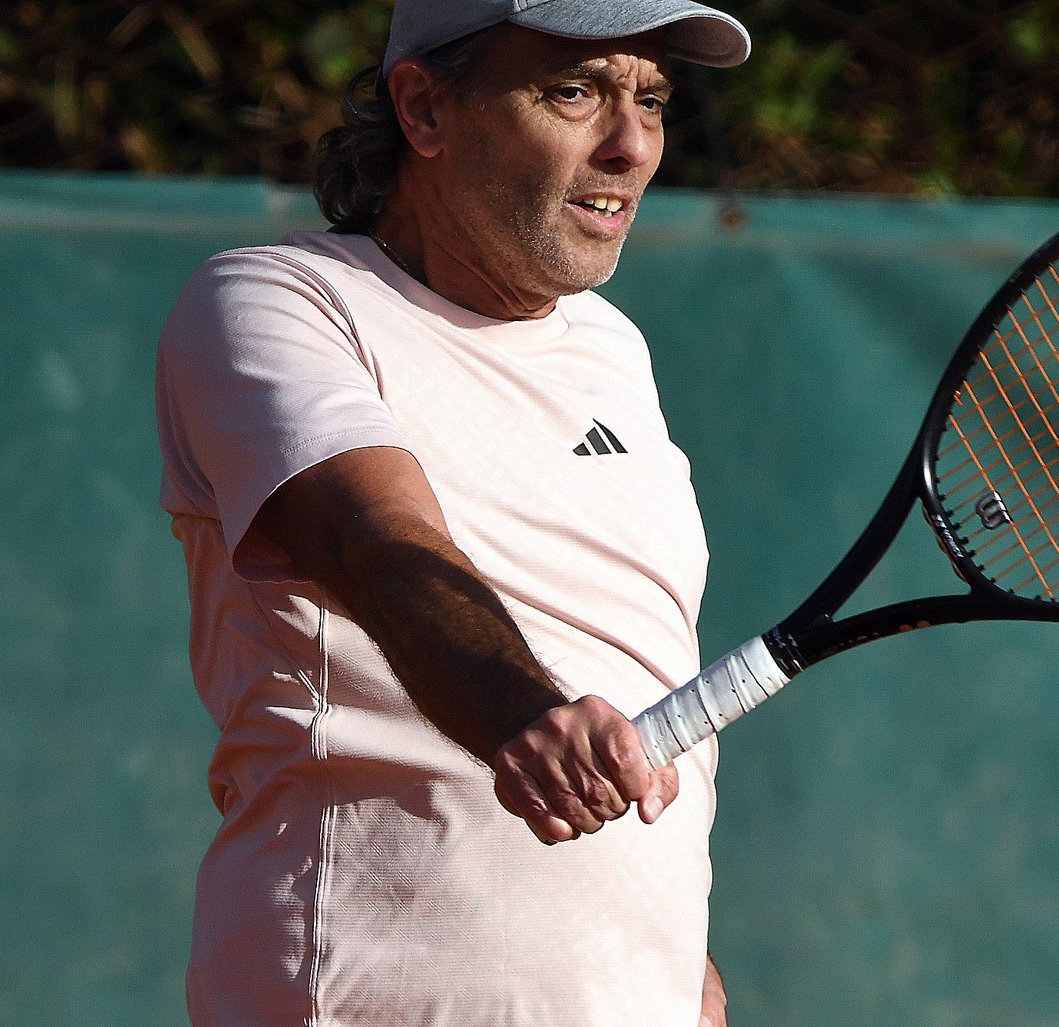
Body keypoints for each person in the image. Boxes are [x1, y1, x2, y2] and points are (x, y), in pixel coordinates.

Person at [154, 1, 751, 1024]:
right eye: (574, 91)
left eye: (651, 99)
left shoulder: (613, 350)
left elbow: (622, 652)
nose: (631, 145)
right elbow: (379, 545)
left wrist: (669, 955)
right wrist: (522, 718)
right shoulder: (279, 302)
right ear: (425, 108)